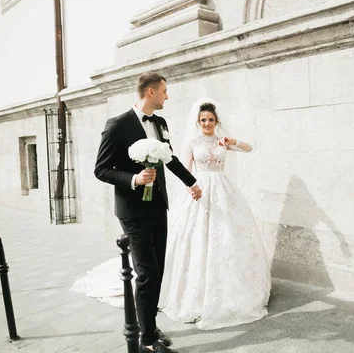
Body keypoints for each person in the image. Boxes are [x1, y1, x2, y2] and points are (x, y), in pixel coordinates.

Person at [93, 71, 201, 353]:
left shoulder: (160, 123)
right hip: (132, 209)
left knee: (158, 269)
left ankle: (149, 326)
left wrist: (192, 182)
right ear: (151, 92)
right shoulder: (117, 125)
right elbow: (101, 169)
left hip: (157, 206)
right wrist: (134, 180)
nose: (168, 96)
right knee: (147, 272)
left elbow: (170, 157)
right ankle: (148, 342)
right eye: (164, 91)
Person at [158, 99, 271, 330]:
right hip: (199, 189)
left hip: (223, 189)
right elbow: (185, 169)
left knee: (228, 235)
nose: (207, 123)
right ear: (198, 122)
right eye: (203, 120)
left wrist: (233, 141)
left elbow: (249, 148)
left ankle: (232, 288)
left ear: (216, 121)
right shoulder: (192, 143)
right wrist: (190, 188)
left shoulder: (223, 140)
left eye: (210, 119)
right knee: (198, 235)